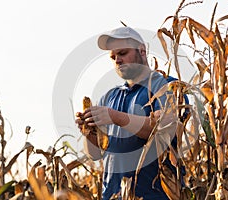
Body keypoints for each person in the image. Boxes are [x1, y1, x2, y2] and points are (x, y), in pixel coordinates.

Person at [75, 26, 179, 200]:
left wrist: (116, 117)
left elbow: (163, 130)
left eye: (123, 53)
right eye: (113, 57)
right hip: (113, 194)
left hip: (154, 195)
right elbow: (95, 154)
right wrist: (88, 132)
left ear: (142, 51)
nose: (117, 60)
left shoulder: (166, 86)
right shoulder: (108, 97)